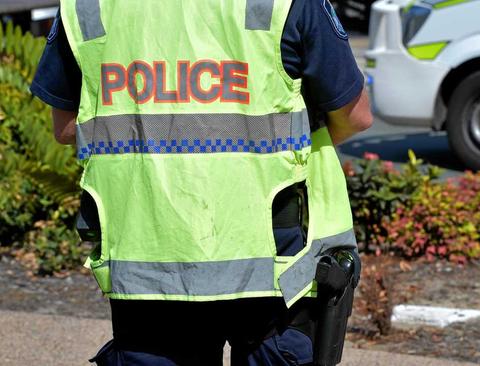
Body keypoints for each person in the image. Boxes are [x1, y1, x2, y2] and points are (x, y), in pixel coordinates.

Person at [30, 0, 372, 365]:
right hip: (269, 259)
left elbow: (66, 127)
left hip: (149, 257)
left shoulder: (90, 6)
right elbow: (355, 116)